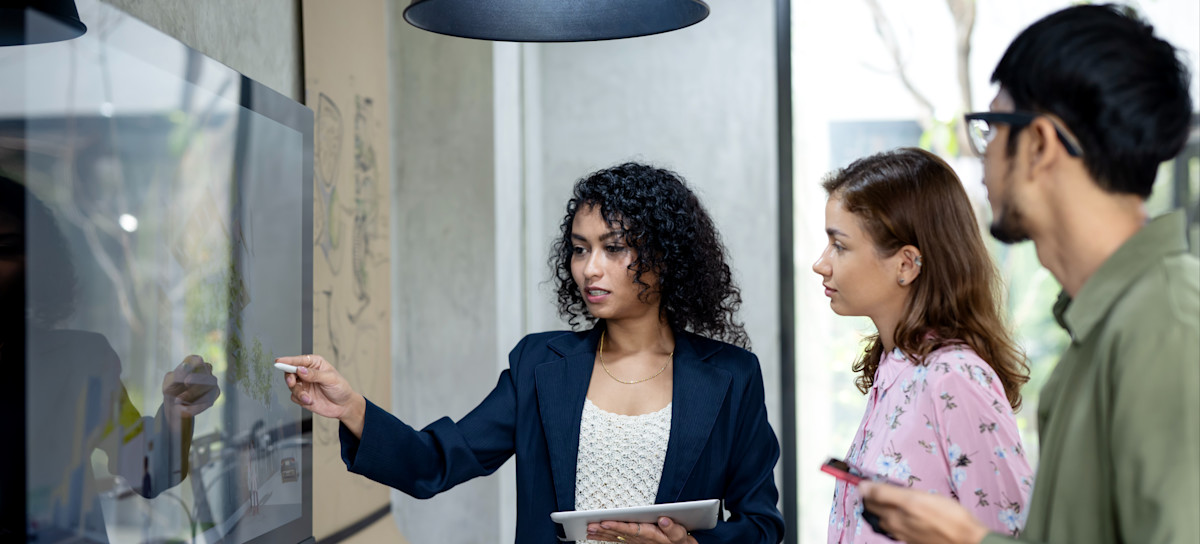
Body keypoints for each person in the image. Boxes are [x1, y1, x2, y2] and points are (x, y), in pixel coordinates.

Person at [279, 162, 784, 543]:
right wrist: (351, 408)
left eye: (613, 248)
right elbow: (435, 462)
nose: (589, 268)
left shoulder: (732, 377)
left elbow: (762, 525)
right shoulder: (539, 366)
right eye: (581, 248)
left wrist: (692, 543)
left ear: (666, 258)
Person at [858, 5, 1199, 544]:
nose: (983, 158)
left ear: (1038, 144)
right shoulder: (1105, 328)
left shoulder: (1168, 324)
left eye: (993, 128)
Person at [813, 148, 1034, 542]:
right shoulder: (893, 369)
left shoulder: (955, 376)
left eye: (840, 246)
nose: (821, 263)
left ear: (906, 264)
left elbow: (1011, 532)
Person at [0, 174, 221, 541]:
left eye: (6, 247)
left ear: (36, 262)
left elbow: (148, 472)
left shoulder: (80, 360)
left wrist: (175, 411)